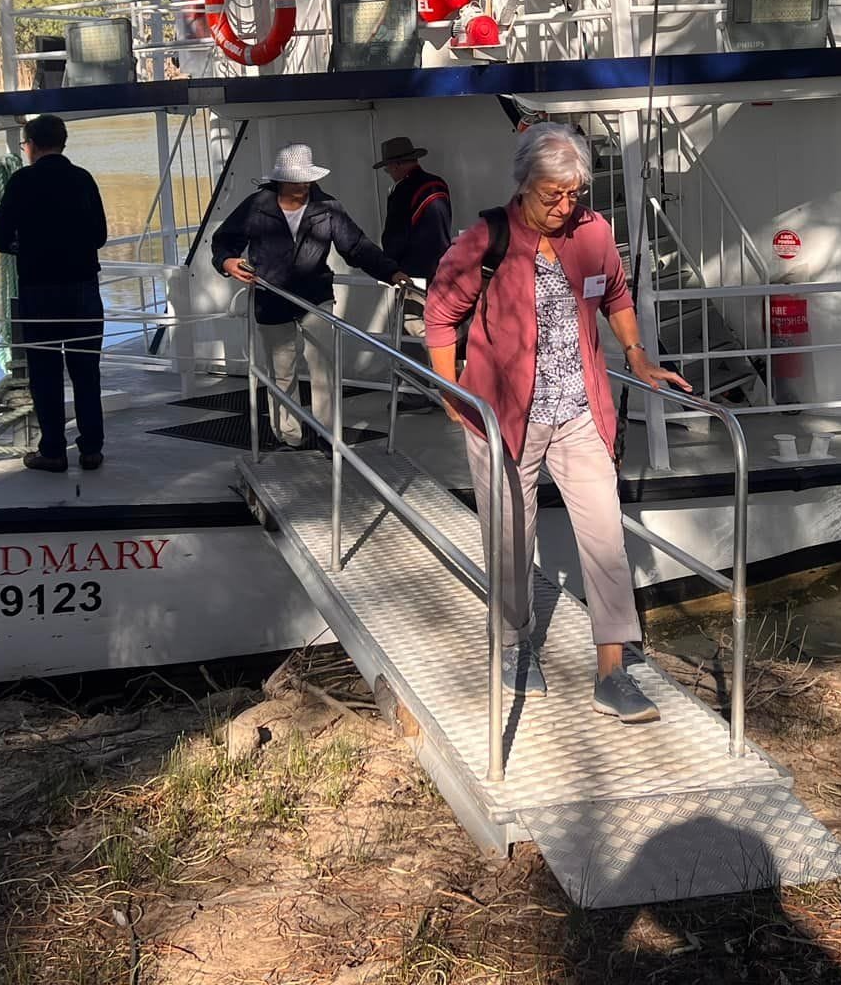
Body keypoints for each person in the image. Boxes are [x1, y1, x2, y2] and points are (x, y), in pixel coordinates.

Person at [424, 122, 692, 724]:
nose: (564, 207)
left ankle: (612, 673)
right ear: (524, 186)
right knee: (511, 541)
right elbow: (440, 312)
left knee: (605, 539)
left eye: (573, 194)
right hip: (503, 417)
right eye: (552, 194)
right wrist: (449, 387)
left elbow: (617, 294)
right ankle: (516, 648)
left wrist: (637, 355)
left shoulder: (593, 233)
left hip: (579, 412)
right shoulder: (486, 238)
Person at [212, 144, 408, 449]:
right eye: (297, 181)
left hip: (315, 298)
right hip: (271, 297)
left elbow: (357, 247)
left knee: (324, 367)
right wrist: (227, 261)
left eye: (307, 180)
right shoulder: (256, 206)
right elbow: (224, 240)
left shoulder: (328, 208)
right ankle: (288, 436)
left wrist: (392, 273)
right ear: (280, 182)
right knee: (281, 371)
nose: (304, 187)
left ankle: (328, 434)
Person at [0, 115, 108, 473]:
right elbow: (99, 235)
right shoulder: (83, 179)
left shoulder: (22, 181)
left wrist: (23, 247)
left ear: (31, 145)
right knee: (86, 371)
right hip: (82, 288)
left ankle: (53, 450)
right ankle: (91, 449)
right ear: (63, 142)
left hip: (39, 290)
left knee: (45, 372)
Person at [376, 136, 454, 285]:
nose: (390, 174)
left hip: (413, 275)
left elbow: (395, 237)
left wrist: (390, 269)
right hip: (443, 268)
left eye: (388, 169)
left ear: (395, 166)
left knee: (414, 309)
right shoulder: (439, 183)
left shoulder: (402, 191)